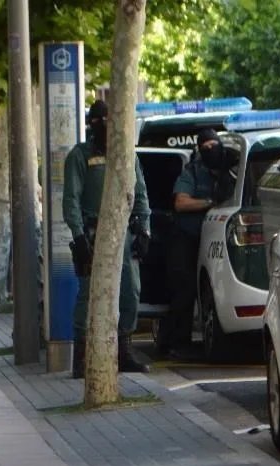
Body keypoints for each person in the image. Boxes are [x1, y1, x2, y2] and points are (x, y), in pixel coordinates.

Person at [62, 99, 151, 379]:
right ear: (93, 123)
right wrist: (79, 238)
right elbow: (71, 200)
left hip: (124, 234)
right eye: (102, 121)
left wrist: (145, 230)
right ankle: (82, 355)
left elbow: (140, 194)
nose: (107, 127)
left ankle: (123, 349)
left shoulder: (127, 155)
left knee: (130, 291)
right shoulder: (80, 155)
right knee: (89, 293)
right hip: (93, 234)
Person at [160, 129, 235, 358]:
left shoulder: (231, 171)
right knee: (184, 290)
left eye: (214, 145)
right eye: (206, 147)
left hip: (214, 240)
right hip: (185, 238)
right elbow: (181, 203)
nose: (211, 150)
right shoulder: (192, 171)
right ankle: (173, 344)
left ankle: (183, 341)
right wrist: (210, 202)